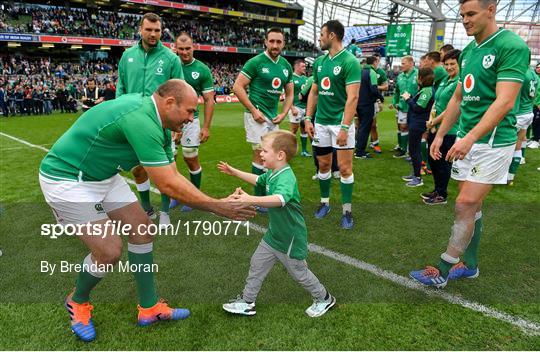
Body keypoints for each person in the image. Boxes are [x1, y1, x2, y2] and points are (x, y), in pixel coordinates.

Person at [39, 79, 255, 342]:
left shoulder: (162, 128)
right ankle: (77, 300)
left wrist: (215, 203)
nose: (191, 118)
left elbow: (173, 176)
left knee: (143, 231)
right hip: (67, 178)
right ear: (169, 103)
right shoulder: (141, 119)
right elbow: (166, 184)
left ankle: (149, 308)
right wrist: (218, 207)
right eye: (189, 111)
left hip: (102, 177)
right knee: (108, 251)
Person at [410, 0, 530, 287]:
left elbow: (505, 101)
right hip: (467, 139)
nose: (464, 19)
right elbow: (459, 99)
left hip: (493, 140)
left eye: (471, 13)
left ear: (492, 9)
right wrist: (440, 135)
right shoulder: (469, 53)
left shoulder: (511, 46)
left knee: (464, 203)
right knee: (472, 206)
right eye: (462, 14)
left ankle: (442, 269)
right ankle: (471, 264)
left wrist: (471, 137)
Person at [219, 130, 335, 317]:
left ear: (280, 155)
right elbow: (258, 180)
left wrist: (251, 200)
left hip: (290, 238)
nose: (260, 154)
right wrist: (234, 172)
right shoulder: (273, 173)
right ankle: (247, 302)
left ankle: (324, 298)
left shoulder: (286, 177)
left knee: (300, 273)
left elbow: (280, 199)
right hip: (274, 235)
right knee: (257, 264)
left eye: (264, 151)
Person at [116, 12, 184, 226]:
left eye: (157, 30)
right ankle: (146, 208)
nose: (153, 34)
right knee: (136, 169)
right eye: (149, 30)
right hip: (133, 122)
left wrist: (178, 122)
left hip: (160, 123)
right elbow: (121, 87)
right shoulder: (127, 56)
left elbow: (180, 92)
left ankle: (165, 212)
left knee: (165, 172)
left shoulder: (171, 58)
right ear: (140, 30)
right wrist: (120, 115)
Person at [304, 20, 361, 229]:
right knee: (324, 165)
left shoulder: (350, 62)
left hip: (340, 124)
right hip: (321, 124)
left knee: (345, 168)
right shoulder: (319, 62)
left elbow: (352, 98)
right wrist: (308, 118)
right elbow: (315, 92)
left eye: (321, 34)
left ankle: (347, 211)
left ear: (332, 36)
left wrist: (345, 127)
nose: (319, 38)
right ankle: (324, 203)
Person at [233, 27, 294, 211]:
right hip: (257, 116)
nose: (275, 45)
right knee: (260, 155)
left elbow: (290, 93)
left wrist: (283, 113)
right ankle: (258, 199)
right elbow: (237, 87)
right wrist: (253, 110)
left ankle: (265, 195)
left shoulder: (286, 66)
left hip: (273, 118)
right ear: (265, 42)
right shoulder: (256, 62)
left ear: (283, 44)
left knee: (271, 157)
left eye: (279, 42)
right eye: (272, 41)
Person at [170, 32, 215, 212]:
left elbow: (209, 100)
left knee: (190, 158)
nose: (185, 52)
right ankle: (175, 197)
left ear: (193, 47)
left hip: (191, 121)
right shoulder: (170, 65)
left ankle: (194, 197)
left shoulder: (202, 69)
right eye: (181, 49)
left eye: (188, 48)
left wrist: (206, 126)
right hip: (168, 121)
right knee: (169, 160)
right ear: (176, 48)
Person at [423, 49, 461, 205]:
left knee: (442, 163)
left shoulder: (459, 82)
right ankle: (437, 189)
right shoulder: (446, 80)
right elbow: (437, 102)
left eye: (453, 64)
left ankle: (442, 194)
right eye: (446, 64)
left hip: (449, 129)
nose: (449, 67)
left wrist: (433, 121)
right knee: (434, 160)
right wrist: (431, 119)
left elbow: (451, 108)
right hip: (436, 128)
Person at [401, 68, 435, 187]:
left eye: (418, 76)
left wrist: (408, 99)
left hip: (418, 123)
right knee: (413, 150)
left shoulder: (427, 91)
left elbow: (418, 108)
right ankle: (415, 174)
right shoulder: (426, 90)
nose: (416, 78)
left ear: (421, 78)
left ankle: (418, 178)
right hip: (416, 122)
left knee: (414, 151)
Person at [507, 63, 538, 184]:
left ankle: (501, 175)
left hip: (518, 114)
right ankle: (510, 177)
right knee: (519, 143)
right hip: (528, 112)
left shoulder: (521, 73)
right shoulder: (534, 74)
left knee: (505, 144)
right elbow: (534, 95)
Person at [355, 56, 385, 159]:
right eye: (378, 62)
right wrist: (380, 97)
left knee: (361, 127)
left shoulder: (360, 71)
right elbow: (373, 89)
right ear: (375, 62)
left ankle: (358, 149)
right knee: (365, 127)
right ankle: (360, 152)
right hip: (367, 104)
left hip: (358, 103)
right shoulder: (371, 72)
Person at [390, 56, 418, 158]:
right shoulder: (400, 76)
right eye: (401, 63)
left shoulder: (418, 74)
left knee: (413, 129)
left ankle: (412, 150)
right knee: (403, 127)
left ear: (411, 63)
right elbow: (397, 91)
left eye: (403, 63)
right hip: (403, 106)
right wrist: (395, 102)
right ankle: (403, 150)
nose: (401, 66)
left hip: (415, 107)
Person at [289, 59, 311, 157]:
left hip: (305, 108)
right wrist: (292, 107)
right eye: (303, 66)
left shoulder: (305, 79)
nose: (304, 68)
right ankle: (289, 150)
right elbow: (287, 95)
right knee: (293, 130)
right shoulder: (291, 78)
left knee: (304, 129)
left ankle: (304, 151)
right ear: (297, 67)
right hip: (296, 107)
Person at [369, 53, 389, 154]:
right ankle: (358, 142)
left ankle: (374, 143)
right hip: (363, 100)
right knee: (359, 123)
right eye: (375, 60)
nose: (376, 62)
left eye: (378, 60)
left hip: (375, 101)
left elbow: (386, 87)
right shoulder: (365, 71)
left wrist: (374, 87)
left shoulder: (381, 72)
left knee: (373, 124)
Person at [528, 62, 540, 149]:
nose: (538, 69)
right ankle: (534, 138)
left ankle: (536, 140)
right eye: (538, 67)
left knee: (537, 122)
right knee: (533, 122)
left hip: (538, 104)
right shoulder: (533, 77)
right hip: (533, 104)